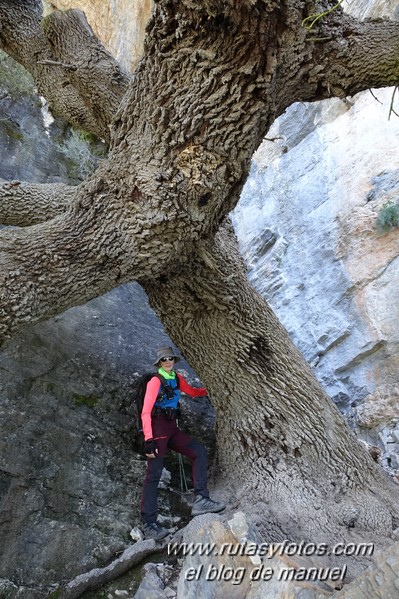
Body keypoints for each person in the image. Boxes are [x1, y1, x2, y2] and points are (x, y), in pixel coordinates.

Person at [140, 346, 226, 540]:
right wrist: (148, 440)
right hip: (158, 430)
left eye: (170, 358)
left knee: (199, 451)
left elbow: (193, 392)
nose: (168, 361)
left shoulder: (176, 378)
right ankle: (149, 525)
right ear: (159, 363)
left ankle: (201, 499)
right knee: (153, 475)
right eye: (164, 359)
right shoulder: (155, 381)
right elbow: (145, 411)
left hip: (171, 429)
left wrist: (212, 389)